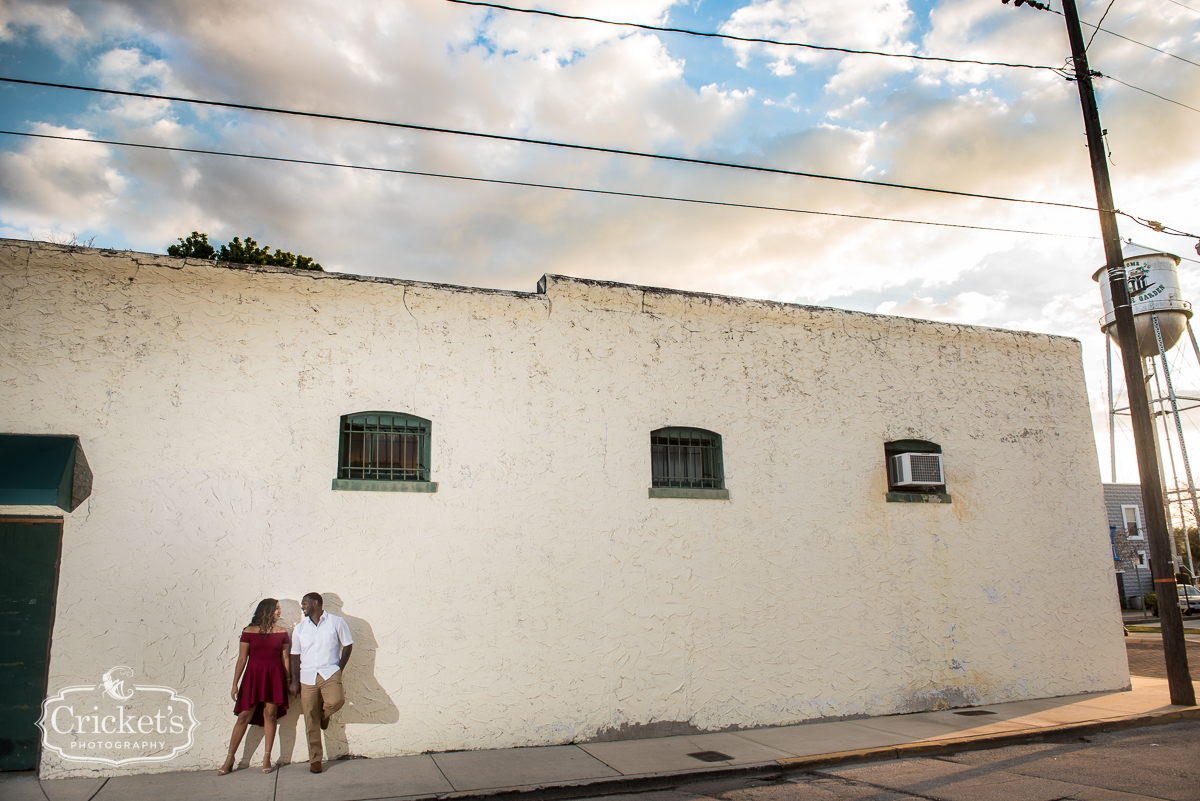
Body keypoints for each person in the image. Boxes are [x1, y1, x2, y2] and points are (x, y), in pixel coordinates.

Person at [218, 598, 291, 775]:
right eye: (276, 609)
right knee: (243, 716)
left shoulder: (282, 632)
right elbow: (242, 658)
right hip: (253, 677)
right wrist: (235, 684)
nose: (279, 612)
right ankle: (230, 757)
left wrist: (288, 681)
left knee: (270, 714)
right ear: (266, 610)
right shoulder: (248, 631)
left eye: (279, 609)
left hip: (274, 677)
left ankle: (267, 756)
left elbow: (285, 659)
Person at [289, 591, 353, 773]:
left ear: (316, 603)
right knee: (310, 717)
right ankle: (315, 759)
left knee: (336, 701)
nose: (302, 607)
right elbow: (294, 656)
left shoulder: (336, 622)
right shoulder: (300, 629)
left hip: (330, 671)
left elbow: (348, 644)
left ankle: (324, 716)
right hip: (307, 675)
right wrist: (294, 681)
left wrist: (339, 668)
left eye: (305, 603)